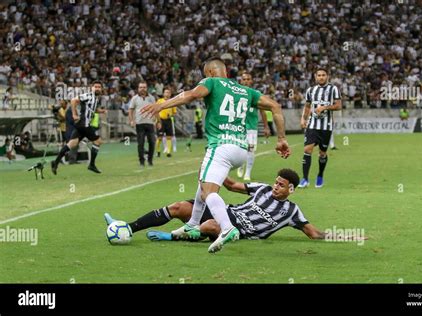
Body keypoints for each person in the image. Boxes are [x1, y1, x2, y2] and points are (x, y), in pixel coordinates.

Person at [140, 57, 290, 253]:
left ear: (210, 72)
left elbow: (192, 95)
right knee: (203, 179)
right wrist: (281, 139)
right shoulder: (246, 91)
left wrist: (162, 105)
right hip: (240, 150)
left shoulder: (211, 82)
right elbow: (275, 107)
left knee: (208, 192)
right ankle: (193, 223)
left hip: (221, 145)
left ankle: (227, 228)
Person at [105, 169, 366, 245]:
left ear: (291, 190)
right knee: (179, 207)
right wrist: (212, 167)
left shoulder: (292, 212)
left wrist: (345, 235)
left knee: (208, 225)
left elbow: (313, 233)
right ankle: (128, 227)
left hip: (237, 230)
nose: (275, 187)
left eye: (281, 185)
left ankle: (171, 237)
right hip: (227, 212)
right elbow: (230, 185)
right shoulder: (261, 188)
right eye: (276, 182)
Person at [299, 67, 342, 188]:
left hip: (326, 127)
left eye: (323, 75)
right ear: (315, 77)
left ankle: (320, 176)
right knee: (307, 150)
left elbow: (338, 106)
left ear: (327, 76)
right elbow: (307, 106)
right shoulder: (310, 90)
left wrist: (324, 107)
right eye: (319, 75)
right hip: (312, 125)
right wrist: (303, 118)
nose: (321, 77)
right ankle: (305, 179)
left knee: (322, 153)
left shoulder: (334, 89)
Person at [51, 81, 106, 174]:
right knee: (98, 141)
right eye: (95, 86)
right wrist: (74, 114)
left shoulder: (95, 99)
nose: (97, 88)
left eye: (99, 87)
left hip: (82, 124)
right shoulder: (88, 95)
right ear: (91, 88)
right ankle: (91, 165)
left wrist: (102, 111)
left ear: (101, 89)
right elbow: (73, 101)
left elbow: (93, 109)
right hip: (84, 124)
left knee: (72, 144)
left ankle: (55, 162)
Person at [236, 72, 270, 181]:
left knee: (250, 150)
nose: (246, 81)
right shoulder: (236, 93)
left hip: (251, 128)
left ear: (251, 81)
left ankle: (248, 173)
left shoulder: (256, 94)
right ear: (240, 81)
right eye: (244, 79)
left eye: (248, 79)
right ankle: (241, 164)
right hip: (238, 127)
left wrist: (266, 127)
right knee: (239, 149)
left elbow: (263, 112)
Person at [129, 82, 156, 167]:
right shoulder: (134, 98)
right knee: (140, 143)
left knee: (152, 142)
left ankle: (150, 160)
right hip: (139, 123)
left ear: (147, 88)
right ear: (138, 88)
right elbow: (130, 110)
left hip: (150, 123)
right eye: (140, 87)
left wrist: (158, 121)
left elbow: (156, 109)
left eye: (144, 87)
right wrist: (131, 120)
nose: (142, 89)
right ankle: (141, 162)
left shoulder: (151, 98)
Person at [155, 88, 175, 158]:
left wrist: (171, 115)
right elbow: (156, 111)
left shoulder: (172, 102)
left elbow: (174, 112)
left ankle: (168, 152)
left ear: (170, 94)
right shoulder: (159, 101)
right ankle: (158, 152)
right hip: (161, 120)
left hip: (168, 121)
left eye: (168, 92)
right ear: (163, 94)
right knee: (159, 137)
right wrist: (157, 121)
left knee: (169, 137)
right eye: (166, 92)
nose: (167, 94)